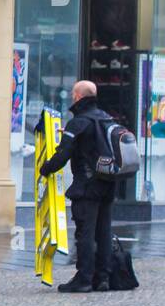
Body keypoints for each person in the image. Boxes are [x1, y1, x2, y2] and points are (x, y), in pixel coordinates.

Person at [38, 80, 116, 293]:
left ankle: (83, 279)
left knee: (85, 233)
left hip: (87, 187)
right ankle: (103, 279)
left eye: (73, 94)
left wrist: (44, 169)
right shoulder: (106, 119)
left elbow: (63, 155)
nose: (72, 97)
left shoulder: (79, 122)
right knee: (104, 232)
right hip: (108, 184)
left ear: (79, 97)